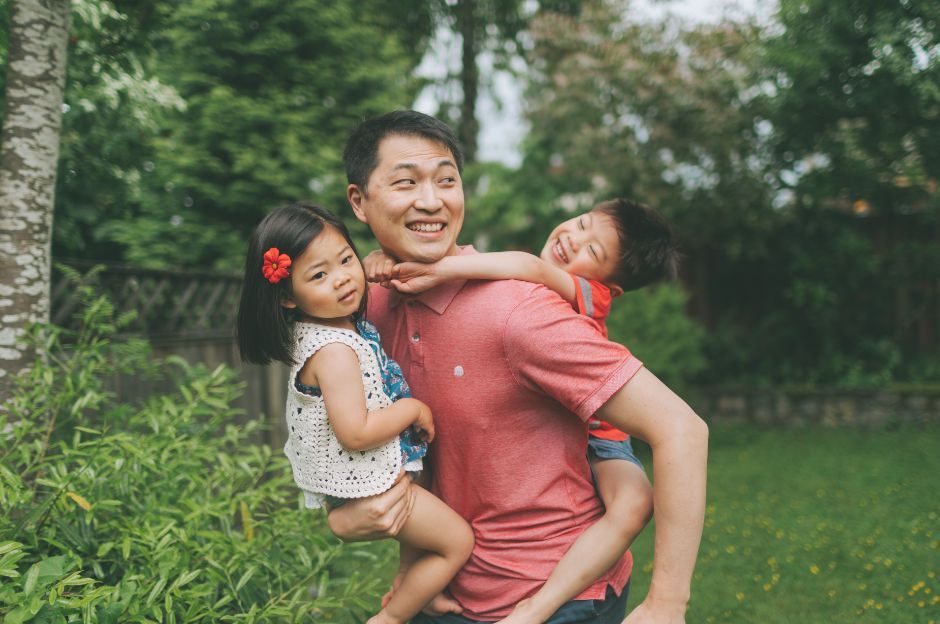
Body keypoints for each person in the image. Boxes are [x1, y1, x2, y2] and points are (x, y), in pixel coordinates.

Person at [328, 110, 708, 624]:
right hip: (442, 589)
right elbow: (353, 437)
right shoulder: (364, 309)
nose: (431, 199)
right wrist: (346, 513)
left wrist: (666, 603)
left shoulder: (521, 311)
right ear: (359, 201)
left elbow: (682, 429)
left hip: (555, 598)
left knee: (630, 501)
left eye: (446, 180)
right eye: (405, 182)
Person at [362, 196, 678, 623]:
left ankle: (542, 604)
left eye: (594, 250)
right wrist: (382, 258)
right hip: (565, 423)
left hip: (601, 435)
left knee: (634, 504)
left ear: (611, 285)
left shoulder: (591, 293)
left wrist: (438, 269)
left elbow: (528, 266)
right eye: (582, 223)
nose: (573, 239)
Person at [235, 202, 473, 624]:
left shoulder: (330, 326)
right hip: (367, 482)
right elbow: (356, 432)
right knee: (457, 542)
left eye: (345, 260)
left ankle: (418, 590)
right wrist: (412, 408)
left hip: (365, 475)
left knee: (430, 502)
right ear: (288, 296)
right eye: (318, 275)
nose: (343, 278)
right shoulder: (335, 351)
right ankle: (392, 617)